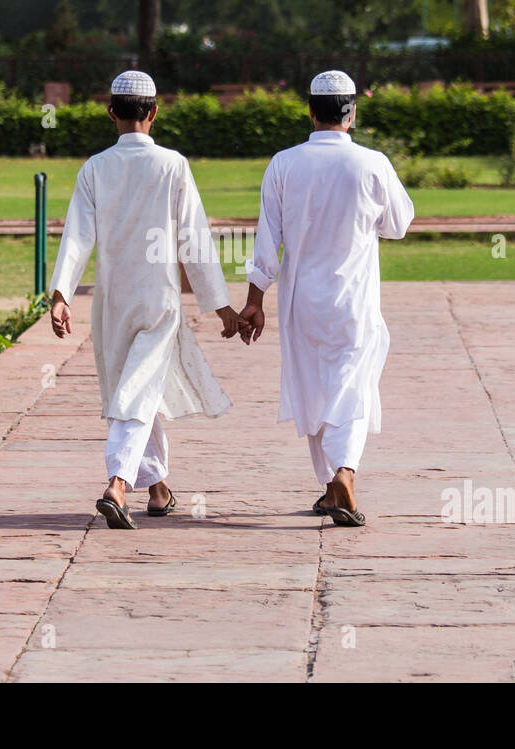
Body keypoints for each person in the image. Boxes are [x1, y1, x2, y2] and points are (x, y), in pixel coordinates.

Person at [48, 70, 248, 530]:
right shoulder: (173, 165)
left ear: (111, 112)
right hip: (159, 299)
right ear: (154, 113)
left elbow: (77, 237)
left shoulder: (95, 167)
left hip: (112, 301)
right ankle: (118, 482)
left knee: (135, 387)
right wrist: (221, 306)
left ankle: (157, 490)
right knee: (139, 389)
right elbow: (194, 241)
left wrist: (62, 295)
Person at [239, 70, 414, 527]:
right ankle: (344, 473)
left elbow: (266, 240)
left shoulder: (284, 163)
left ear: (311, 112)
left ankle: (332, 486)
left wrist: (254, 301)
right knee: (352, 386)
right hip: (353, 301)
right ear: (352, 114)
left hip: (300, 303)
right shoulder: (372, 163)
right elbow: (398, 224)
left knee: (315, 388)